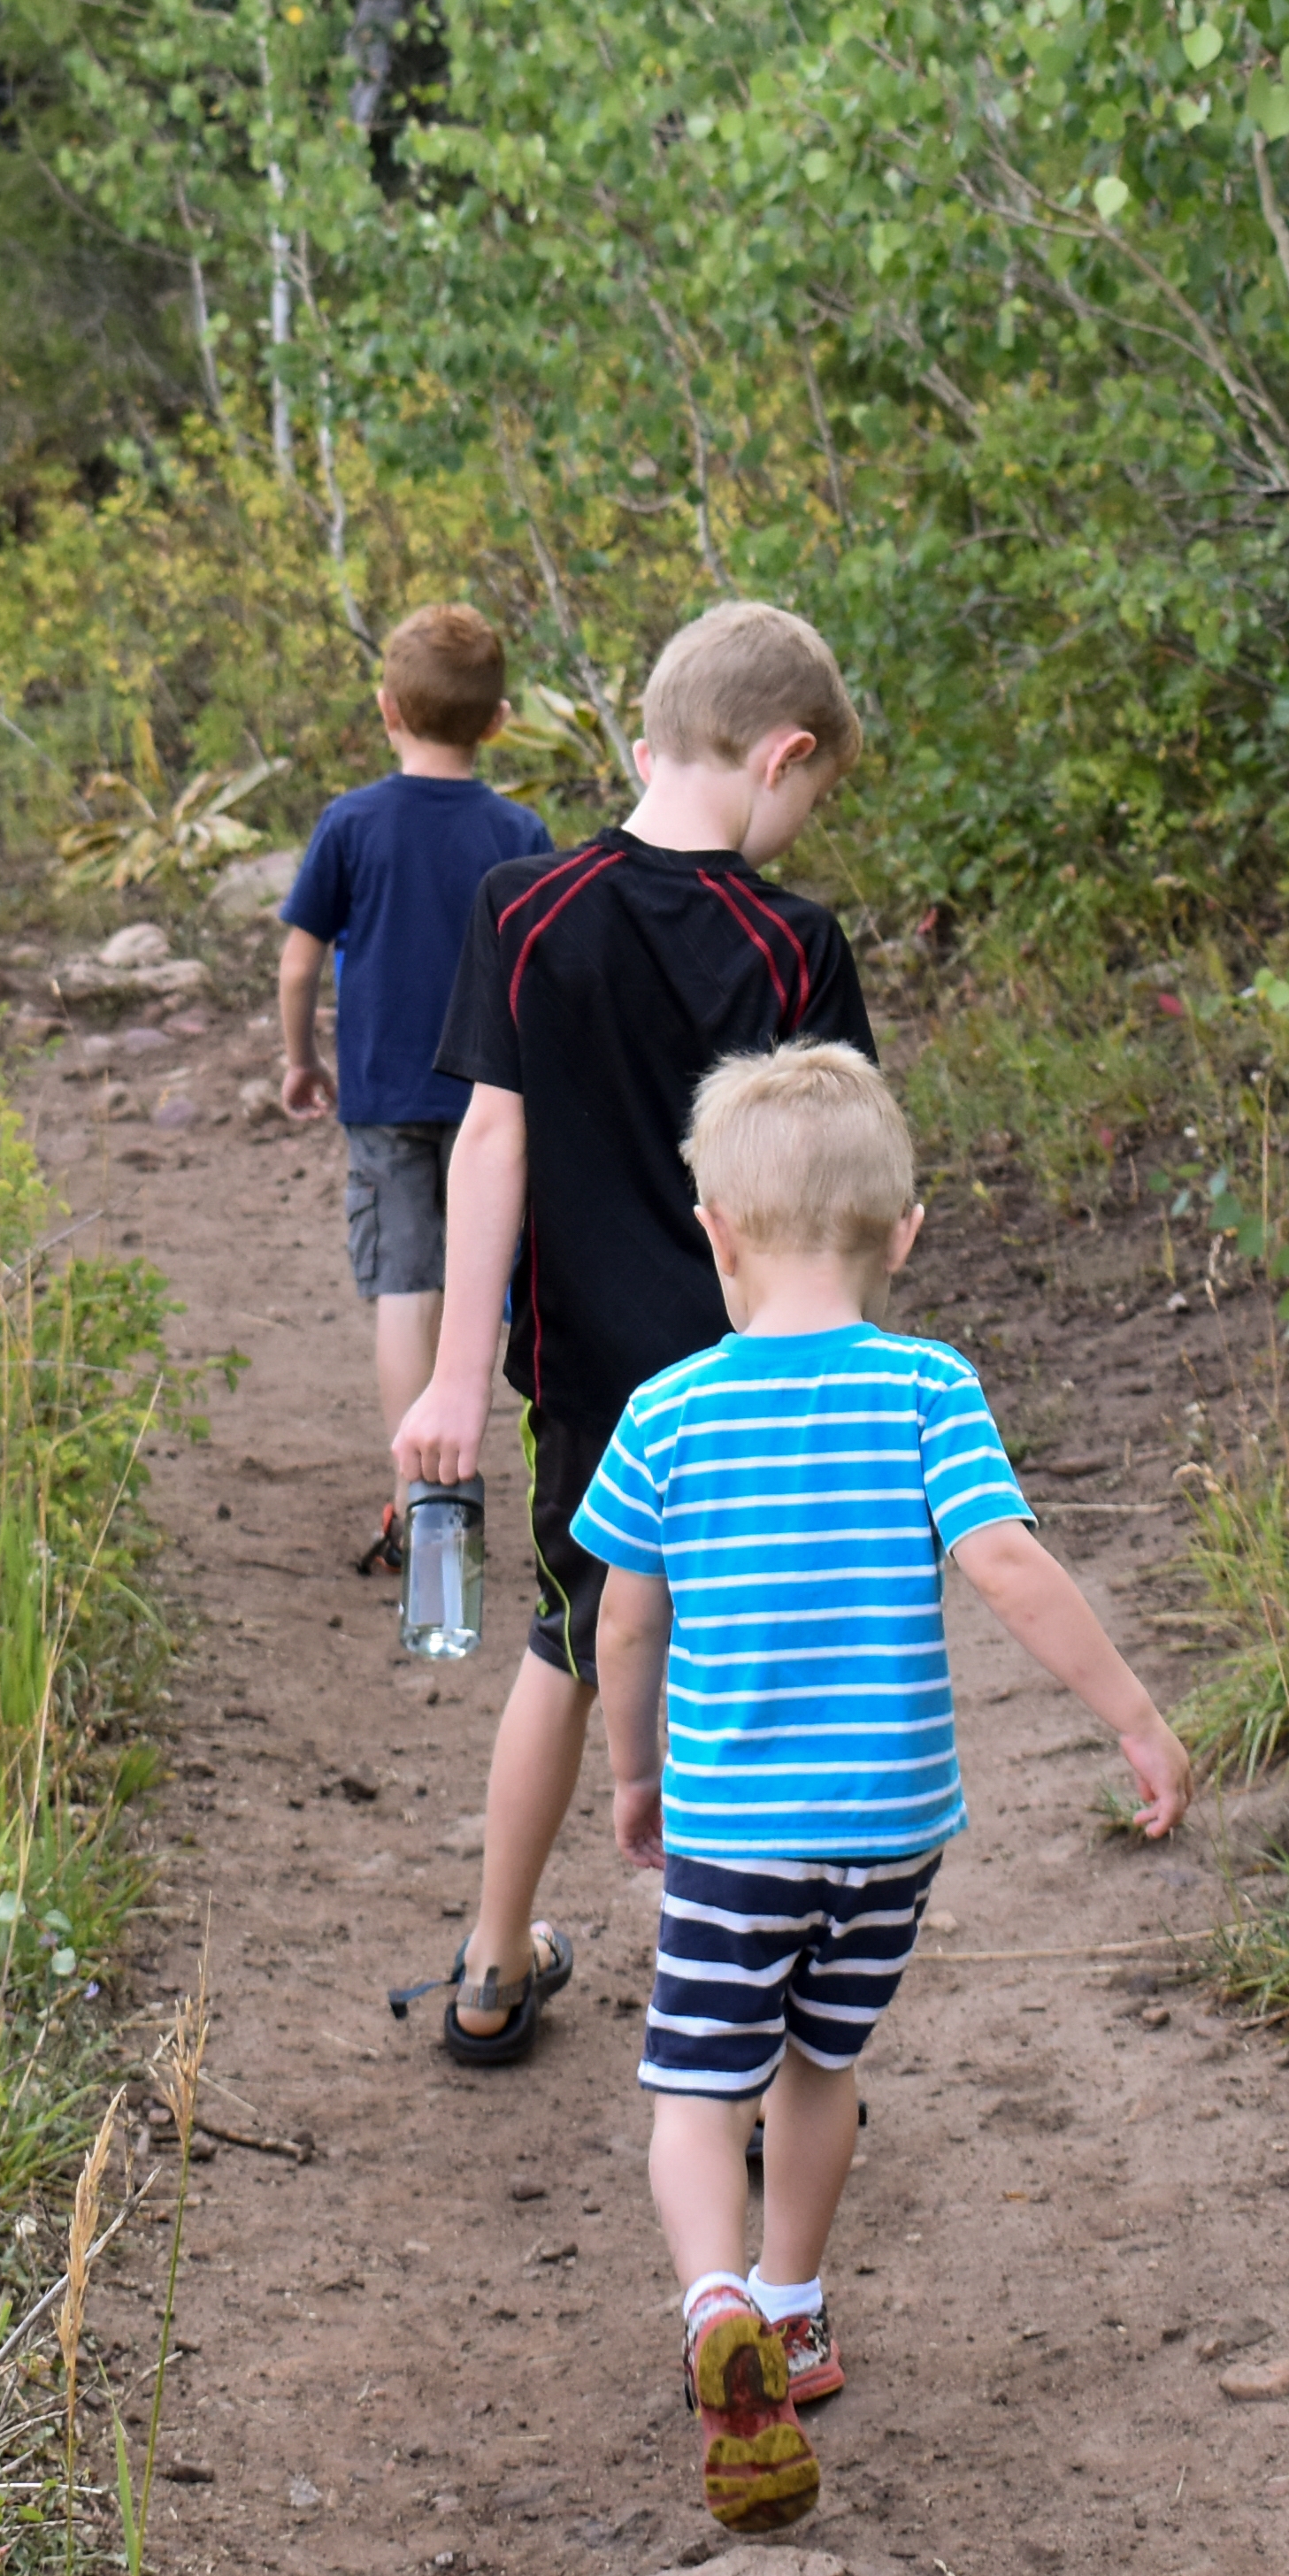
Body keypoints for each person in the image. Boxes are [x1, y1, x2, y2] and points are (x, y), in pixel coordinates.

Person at [578, 1042, 1191, 2530]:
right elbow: (1005, 1563)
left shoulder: (669, 1412)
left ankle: (714, 2297)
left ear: (712, 1229)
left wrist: (633, 1771)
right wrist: (1133, 1716)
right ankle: (794, 2309)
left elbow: (625, 1617)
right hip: (892, 1833)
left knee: (694, 2086)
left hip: (737, 1832)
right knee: (817, 2066)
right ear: (903, 1234)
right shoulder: (929, 1387)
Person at [387, 600, 877, 2069]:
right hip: (768, 1385)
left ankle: (490, 1962)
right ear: (782, 754)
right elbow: (838, 1190)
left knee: (571, 1647)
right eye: (816, 792)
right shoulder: (794, 946)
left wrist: (457, 1379)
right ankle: (751, 2026)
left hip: (599, 1393)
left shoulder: (527, 910)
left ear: (654, 735)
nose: (804, 822)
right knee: (749, 1686)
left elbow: (488, 1142)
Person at [277, 608, 558, 1569]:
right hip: (498, 1099)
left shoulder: (350, 823)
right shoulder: (519, 830)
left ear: (387, 708)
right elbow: (546, 964)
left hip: (385, 1093)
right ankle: (532, 1473)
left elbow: (299, 961)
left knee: (406, 1281)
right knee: (499, 1278)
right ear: (498, 721)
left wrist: (300, 1058)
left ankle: (420, 1491)